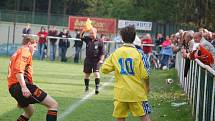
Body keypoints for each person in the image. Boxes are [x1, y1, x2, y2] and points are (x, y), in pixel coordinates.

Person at [101, 25, 151, 121]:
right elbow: (145, 75)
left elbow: (104, 69)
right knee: (144, 117)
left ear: (122, 38)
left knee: (120, 118)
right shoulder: (139, 53)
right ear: (134, 37)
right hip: (137, 93)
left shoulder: (116, 53)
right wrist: (148, 87)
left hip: (121, 93)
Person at [7, 37, 58, 121]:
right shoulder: (25, 51)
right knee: (53, 105)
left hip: (13, 88)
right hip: (21, 86)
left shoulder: (17, 53)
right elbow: (18, 70)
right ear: (29, 44)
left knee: (29, 111)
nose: (36, 49)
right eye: (34, 46)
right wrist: (24, 87)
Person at [80, 27, 105, 94]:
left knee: (96, 73)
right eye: (90, 33)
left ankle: (97, 88)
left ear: (96, 33)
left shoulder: (100, 41)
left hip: (96, 60)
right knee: (87, 74)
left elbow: (103, 53)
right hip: (88, 59)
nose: (91, 34)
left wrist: (101, 60)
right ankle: (87, 87)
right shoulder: (88, 39)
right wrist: (83, 31)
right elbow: (81, 37)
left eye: (92, 33)